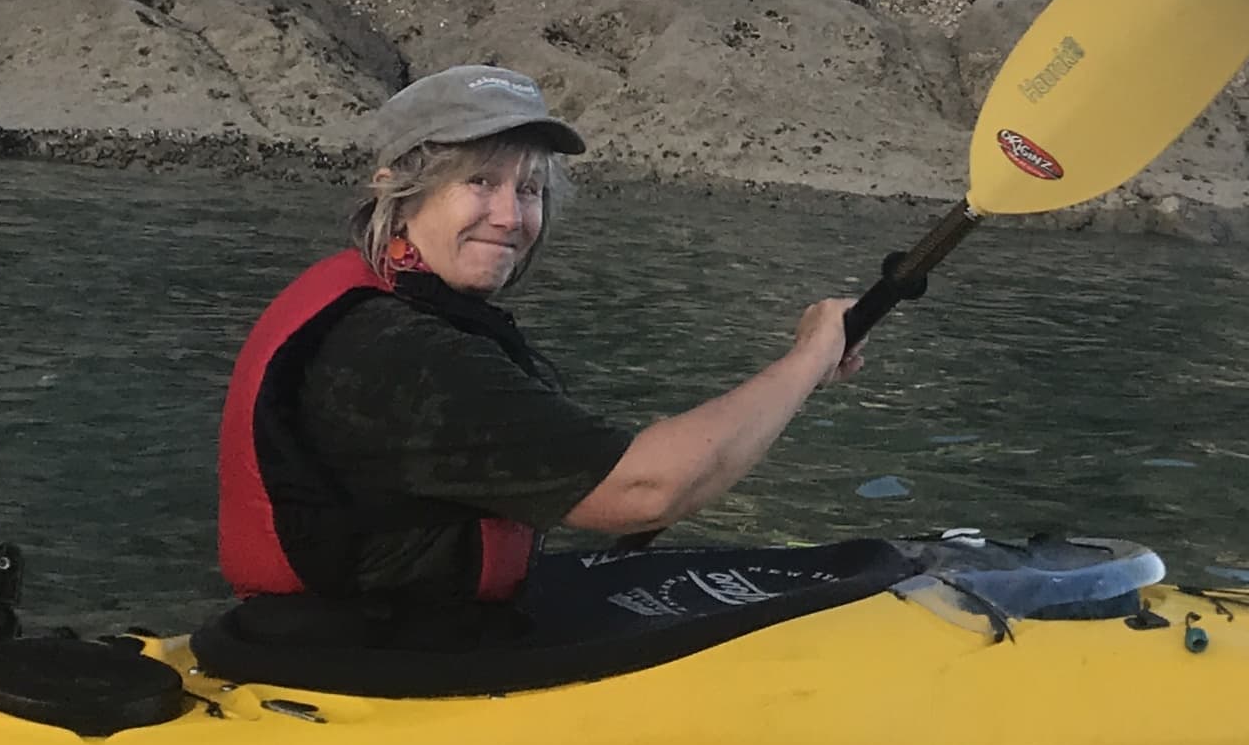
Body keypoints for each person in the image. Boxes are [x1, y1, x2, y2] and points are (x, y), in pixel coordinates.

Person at [215, 64, 864, 651]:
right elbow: (648, 488)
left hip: (363, 634)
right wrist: (809, 358)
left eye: (528, 189)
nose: (509, 216)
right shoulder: (400, 354)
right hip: (368, 669)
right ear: (398, 193)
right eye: (479, 182)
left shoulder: (395, 309)